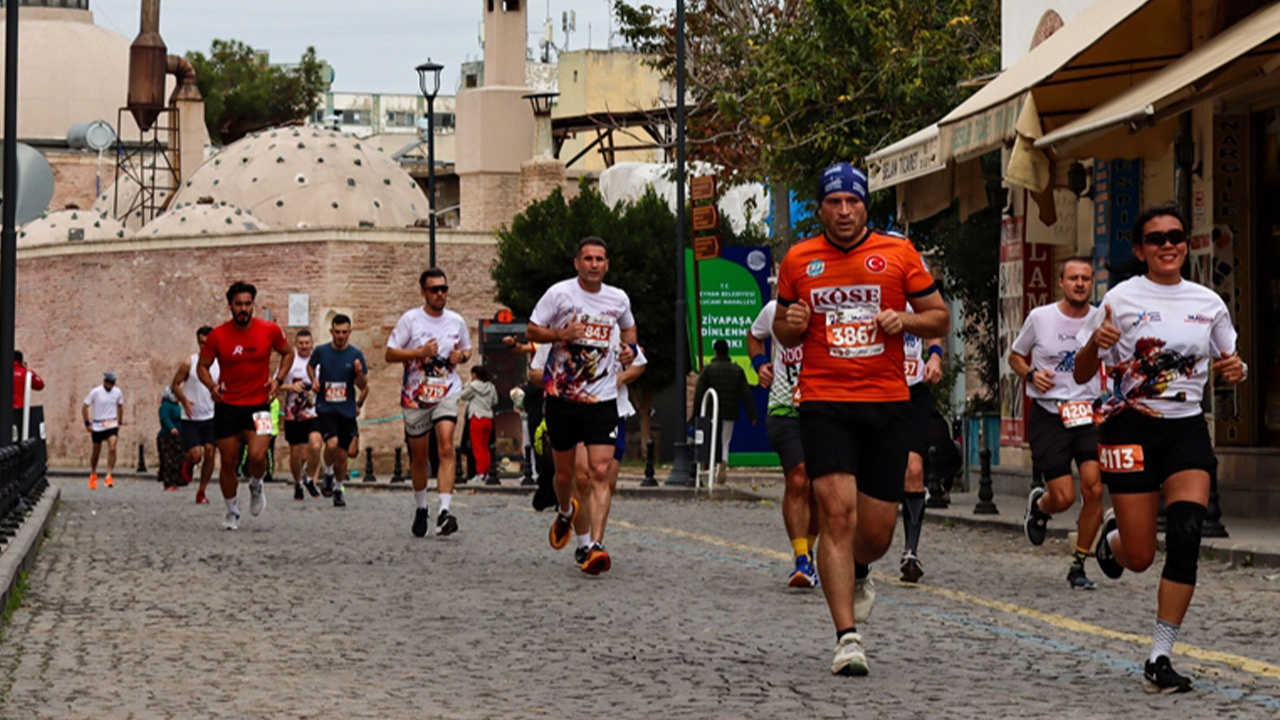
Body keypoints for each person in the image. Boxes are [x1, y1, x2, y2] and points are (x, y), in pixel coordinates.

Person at [773, 162, 949, 676]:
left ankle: (861, 569)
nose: (844, 211)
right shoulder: (800, 259)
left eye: (853, 202)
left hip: (887, 403)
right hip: (824, 402)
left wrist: (906, 320)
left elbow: (939, 315)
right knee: (837, 515)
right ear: (821, 207)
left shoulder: (898, 253)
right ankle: (846, 638)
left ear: (865, 205)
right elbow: (782, 330)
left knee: (874, 533)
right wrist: (793, 323)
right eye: (833, 202)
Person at [1073, 205, 1244, 694]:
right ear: (1139, 249)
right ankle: (1112, 539)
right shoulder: (1121, 299)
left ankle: (1159, 656)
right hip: (1129, 428)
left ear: (1186, 243)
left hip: (1186, 429)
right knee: (1142, 555)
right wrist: (1094, 345)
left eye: (1175, 237)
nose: (1167, 246)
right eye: (1156, 239)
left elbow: (1230, 358)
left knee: (1187, 537)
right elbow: (1084, 372)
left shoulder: (1208, 301)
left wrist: (1239, 371)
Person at [527, 236, 637, 575]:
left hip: (602, 398)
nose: (593, 264)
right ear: (577, 263)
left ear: (606, 264)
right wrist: (562, 335)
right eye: (587, 258)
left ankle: (595, 546)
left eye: (599, 259)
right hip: (563, 396)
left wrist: (629, 351)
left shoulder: (618, 298)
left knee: (599, 472)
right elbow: (533, 328)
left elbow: (630, 333)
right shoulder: (559, 294)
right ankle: (564, 512)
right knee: (566, 474)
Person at [1011, 257, 1106, 590]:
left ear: (1092, 282)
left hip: (1088, 412)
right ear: (1061, 283)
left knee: (1094, 487)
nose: (1080, 284)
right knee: (1063, 497)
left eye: (1085, 278)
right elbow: (1015, 355)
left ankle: (1078, 565)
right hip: (1049, 413)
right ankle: (1040, 505)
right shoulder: (1041, 318)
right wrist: (1031, 373)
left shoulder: (1101, 320)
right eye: (1073, 278)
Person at [198, 281, 293, 531]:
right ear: (230, 305)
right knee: (228, 461)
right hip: (228, 406)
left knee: (258, 456)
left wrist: (278, 380)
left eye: (248, 304)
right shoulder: (218, 335)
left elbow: (288, 353)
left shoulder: (269, 330)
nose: (243, 309)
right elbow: (202, 367)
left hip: (259, 404)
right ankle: (232, 511)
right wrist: (212, 387)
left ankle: (256, 484)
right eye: (238, 304)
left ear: (253, 305)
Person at [385, 268, 472, 537]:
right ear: (423, 292)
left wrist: (462, 357)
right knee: (419, 458)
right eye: (434, 289)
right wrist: (419, 352)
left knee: (447, 448)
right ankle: (422, 507)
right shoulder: (410, 320)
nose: (440, 294)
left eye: (443, 289)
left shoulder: (456, 321)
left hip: (447, 391)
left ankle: (445, 511)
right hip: (416, 396)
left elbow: (467, 349)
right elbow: (390, 353)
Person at [748, 298, 819, 588]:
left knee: (819, 487)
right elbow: (754, 335)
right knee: (799, 477)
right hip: (784, 408)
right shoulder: (775, 309)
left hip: (823, 410)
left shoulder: (830, 307)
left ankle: (810, 550)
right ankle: (801, 558)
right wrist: (759, 364)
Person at [898, 327, 944, 583]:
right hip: (878, 390)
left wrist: (935, 356)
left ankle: (910, 552)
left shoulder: (916, 294)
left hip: (914, 391)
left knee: (914, 470)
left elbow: (932, 325)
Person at [309, 314, 368, 508]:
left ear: (350, 332)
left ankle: (338, 489)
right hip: (326, 407)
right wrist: (314, 380)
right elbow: (311, 366)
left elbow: (363, 385)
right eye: (337, 332)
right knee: (331, 444)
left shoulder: (356, 355)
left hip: (346, 410)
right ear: (331, 332)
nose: (341, 336)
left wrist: (358, 373)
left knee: (343, 456)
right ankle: (327, 472)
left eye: (344, 332)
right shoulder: (321, 351)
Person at [691, 339, 758, 482]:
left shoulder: (708, 369)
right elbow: (746, 394)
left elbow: (699, 393)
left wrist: (696, 414)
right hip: (730, 410)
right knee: (725, 441)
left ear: (715, 351)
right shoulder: (737, 370)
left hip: (711, 411)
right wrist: (752, 414)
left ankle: (712, 465)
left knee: (712, 439)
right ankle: (723, 462)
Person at [173, 327, 218, 504]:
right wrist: (184, 400)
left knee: (210, 452)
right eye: (202, 343)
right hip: (191, 416)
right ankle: (189, 463)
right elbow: (175, 384)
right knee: (196, 455)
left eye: (208, 343)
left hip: (212, 415)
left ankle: (202, 490)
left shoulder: (220, 363)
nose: (205, 346)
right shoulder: (189, 363)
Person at [281, 328, 323, 501]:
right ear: (296, 344)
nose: (304, 346)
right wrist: (291, 387)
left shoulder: (319, 361)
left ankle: (310, 479)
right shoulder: (290, 361)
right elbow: (277, 384)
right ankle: (298, 482)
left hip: (314, 412)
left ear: (312, 344)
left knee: (315, 446)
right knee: (296, 453)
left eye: (307, 343)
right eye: (301, 343)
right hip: (293, 414)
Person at [82, 371, 124, 489]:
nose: (110, 385)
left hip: (111, 423)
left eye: (112, 383)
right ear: (104, 382)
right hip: (98, 425)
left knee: (112, 447)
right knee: (96, 451)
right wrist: (87, 423)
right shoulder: (96, 392)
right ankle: (93, 472)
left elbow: (120, 406)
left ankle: (109, 474)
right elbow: (85, 407)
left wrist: (119, 421)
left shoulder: (118, 392)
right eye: (109, 382)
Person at [459, 366, 498, 482]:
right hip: (488, 418)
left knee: (477, 447)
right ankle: (486, 471)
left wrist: (467, 384)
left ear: (475, 375)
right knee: (486, 447)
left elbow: (463, 396)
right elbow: (495, 401)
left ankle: (480, 472)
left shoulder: (473, 386)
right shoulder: (491, 387)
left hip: (477, 417)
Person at [157, 387, 184, 490]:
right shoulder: (166, 406)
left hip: (178, 437)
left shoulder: (178, 406)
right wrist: (171, 427)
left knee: (178, 460)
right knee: (169, 461)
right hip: (167, 437)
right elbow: (165, 418)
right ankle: (168, 483)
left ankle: (176, 482)